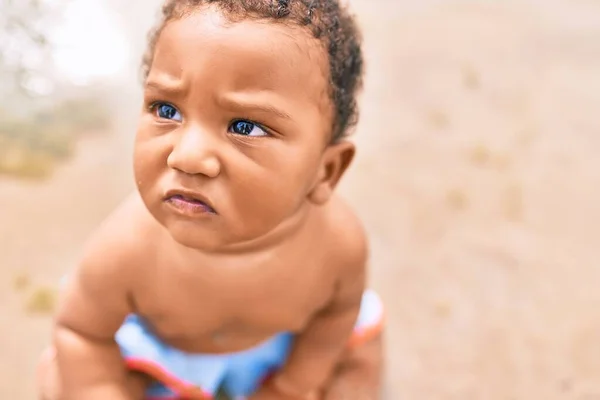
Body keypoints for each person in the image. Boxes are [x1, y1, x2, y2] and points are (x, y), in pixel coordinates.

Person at [37, 0, 384, 398]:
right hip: (164, 358)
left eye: (245, 127)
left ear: (326, 171)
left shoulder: (338, 246)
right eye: (166, 109)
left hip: (282, 350)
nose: (186, 156)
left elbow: (336, 317)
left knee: (359, 366)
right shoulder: (126, 249)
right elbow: (82, 331)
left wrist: (292, 387)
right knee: (59, 380)